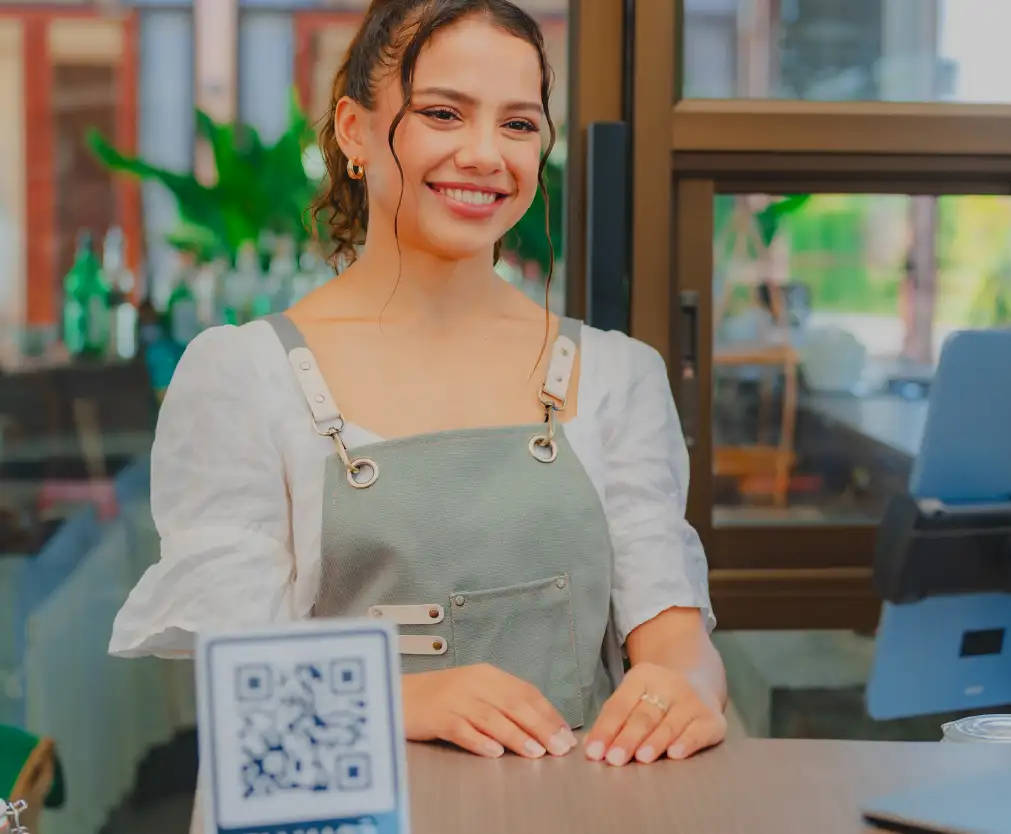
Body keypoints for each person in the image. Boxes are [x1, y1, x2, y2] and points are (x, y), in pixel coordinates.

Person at [110, 0, 726, 775]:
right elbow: (241, 679)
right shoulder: (242, 375)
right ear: (354, 130)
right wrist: (404, 699)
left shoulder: (615, 374)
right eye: (443, 113)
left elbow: (673, 634)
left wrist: (684, 686)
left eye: (519, 125)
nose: (484, 154)